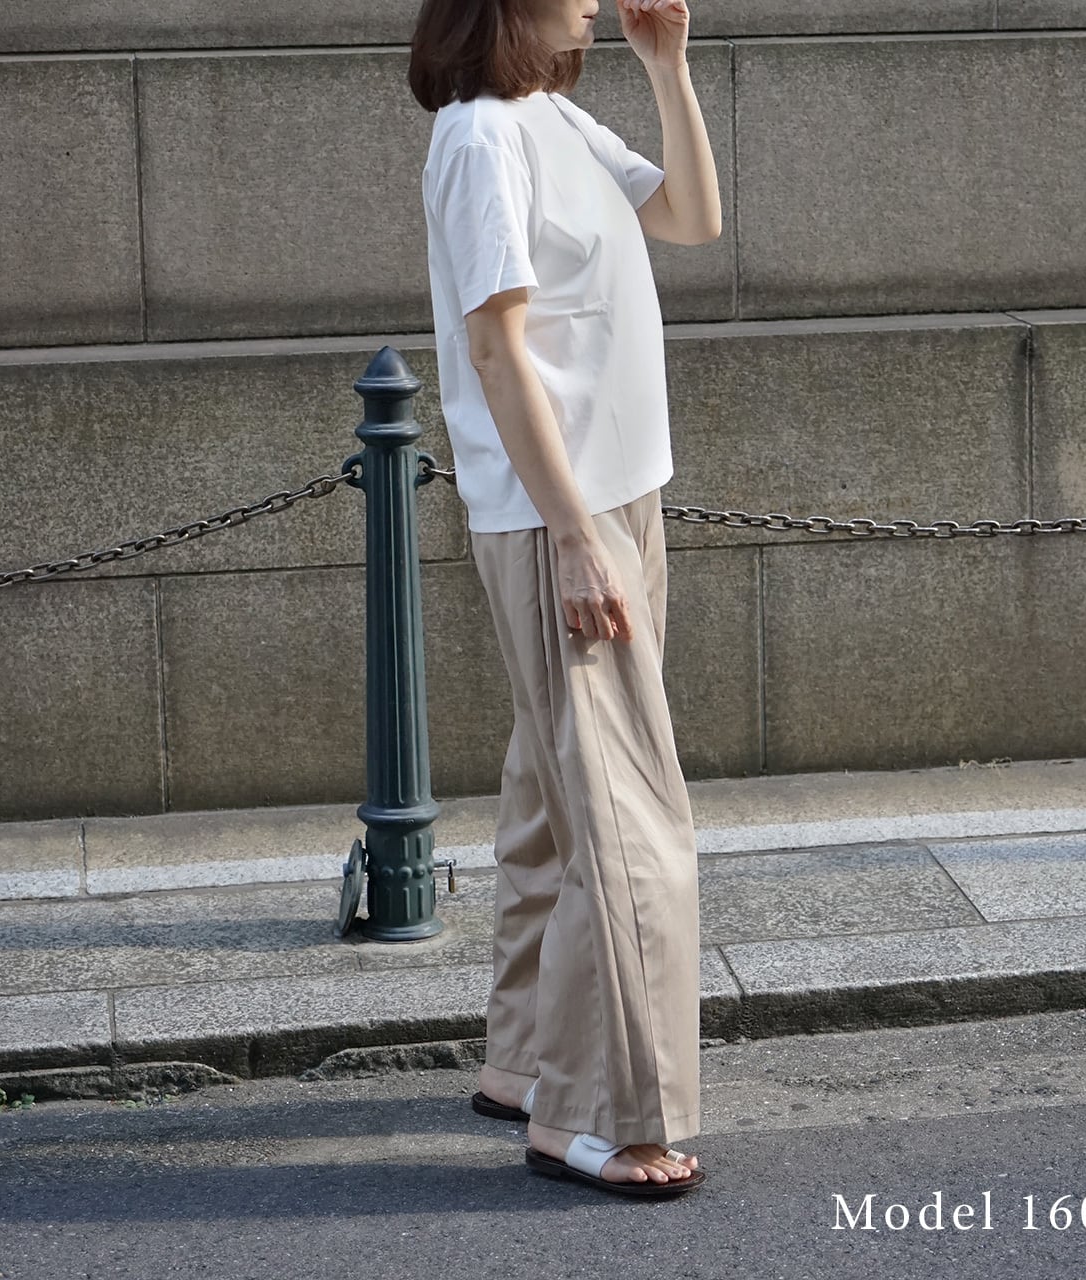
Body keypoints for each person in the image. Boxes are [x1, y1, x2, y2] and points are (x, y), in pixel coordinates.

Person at [410, 0, 721, 1198]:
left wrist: (665, 69)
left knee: (557, 795)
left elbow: (689, 218)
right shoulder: (480, 134)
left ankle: (520, 1062)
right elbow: (496, 350)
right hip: (565, 516)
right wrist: (575, 536)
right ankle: (589, 1114)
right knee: (629, 821)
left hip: (617, 496)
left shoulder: (550, 115)